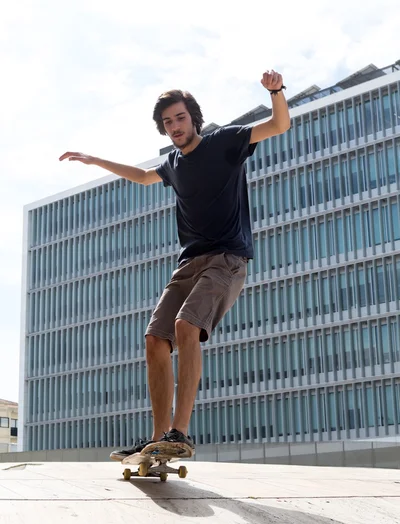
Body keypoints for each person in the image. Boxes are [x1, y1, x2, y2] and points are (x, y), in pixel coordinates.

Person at [59, 69, 291, 460]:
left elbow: (279, 124)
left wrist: (277, 92)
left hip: (227, 259)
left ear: (193, 118)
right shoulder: (173, 164)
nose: (174, 127)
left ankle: (180, 433)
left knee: (186, 325)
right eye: (167, 122)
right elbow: (144, 176)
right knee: (154, 339)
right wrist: (96, 160)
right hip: (188, 265)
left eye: (180, 118)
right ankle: (157, 438)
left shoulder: (224, 141)